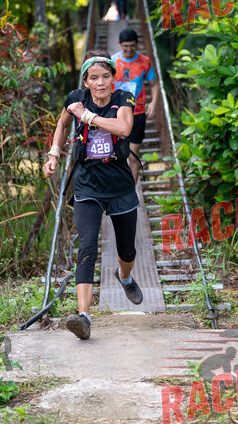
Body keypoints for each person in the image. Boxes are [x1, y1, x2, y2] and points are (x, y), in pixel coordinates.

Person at [43, 50, 144, 340]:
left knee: (127, 250)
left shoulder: (123, 98)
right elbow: (63, 123)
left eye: (106, 77)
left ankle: (124, 276)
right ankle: (84, 317)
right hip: (87, 182)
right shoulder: (76, 98)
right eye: (94, 78)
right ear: (86, 81)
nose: (100, 83)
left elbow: (124, 127)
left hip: (119, 183)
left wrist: (87, 116)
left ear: (113, 78)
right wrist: (54, 154)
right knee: (87, 246)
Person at [111, 28, 160, 184]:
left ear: (137, 44)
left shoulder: (144, 61)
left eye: (132, 45)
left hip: (137, 113)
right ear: (119, 44)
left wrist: (154, 102)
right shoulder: (112, 62)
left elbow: (154, 84)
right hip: (114, 114)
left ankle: (131, 191)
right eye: (125, 46)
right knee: (114, 155)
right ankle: (115, 188)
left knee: (133, 156)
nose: (129, 49)